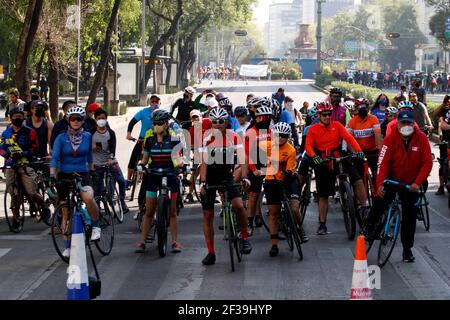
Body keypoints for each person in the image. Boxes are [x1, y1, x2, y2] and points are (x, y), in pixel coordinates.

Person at [365, 110, 433, 263]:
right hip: (392, 179)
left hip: (411, 184)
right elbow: (382, 163)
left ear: (413, 124)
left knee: (410, 216)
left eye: (409, 122)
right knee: (380, 200)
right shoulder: (390, 138)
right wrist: (380, 183)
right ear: (398, 124)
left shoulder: (421, 138)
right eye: (403, 123)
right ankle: (369, 226)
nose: (406, 126)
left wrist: (417, 182)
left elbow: (427, 162)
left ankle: (407, 249)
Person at [199, 107, 252, 265]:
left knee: (239, 205)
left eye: (220, 121)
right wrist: (202, 182)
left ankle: (244, 237)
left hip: (226, 176)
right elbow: (203, 162)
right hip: (210, 177)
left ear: (226, 122)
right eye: (214, 122)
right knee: (208, 216)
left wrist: (244, 177)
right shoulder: (206, 137)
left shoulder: (233, 137)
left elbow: (242, 159)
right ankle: (210, 252)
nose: (217, 124)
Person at [305, 102, 364, 235]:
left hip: (338, 155)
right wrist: (314, 156)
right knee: (323, 194)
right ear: (319, 115)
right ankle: (322, 224)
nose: (327, 117)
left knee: (357, 178)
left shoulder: (337, 125)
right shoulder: (313, 129)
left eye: (329, 114)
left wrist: (359, 151)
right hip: (323, 159)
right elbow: (308, 146)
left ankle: (364, 208)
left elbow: (349, 138)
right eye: (324, 114)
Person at [50, 106, 100, 258]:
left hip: (82, 173)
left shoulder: (87, 136)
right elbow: (54, 158)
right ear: (68, 120)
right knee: (66, 212)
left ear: (83, 120)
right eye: (73, 119)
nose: (76, 121)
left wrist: (92, 171)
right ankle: (67, 246)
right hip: (65, 175)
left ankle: (96, 225)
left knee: (88, 197)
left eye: (79, 119)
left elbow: (90, 157)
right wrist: (52, 175)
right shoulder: (61, 138)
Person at [135, 110, 184, 253]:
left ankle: (175, 242)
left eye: (160, 123)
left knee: (173, 212)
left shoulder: (175, 140)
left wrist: (183, 165)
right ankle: (142, 241)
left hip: (170, 175)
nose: (157, 126)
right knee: (149, 211)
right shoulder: (149, 141)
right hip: (153, 175)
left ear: (166, 124)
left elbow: (177, 159)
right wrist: (141, 165)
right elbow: (145, 159)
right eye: (155, 123)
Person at [261, 122, 308, 257]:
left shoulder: (291, 150)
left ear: (288, 136)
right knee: (273, 213)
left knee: (294, 208)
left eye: (284, 135)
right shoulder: (266, 147)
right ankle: (274, 244)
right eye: (278, 135)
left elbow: (290, 169)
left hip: (288, 181)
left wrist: (285, 173)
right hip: (271, 181)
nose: (281, 138)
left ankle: (300, 229)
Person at [0, 109, 50, 231]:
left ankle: (43, 206)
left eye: (20, 116)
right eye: (15, 116)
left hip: (26, 164)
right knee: (13, 194)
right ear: (10, 118)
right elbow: (1, 149)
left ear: (23, 118)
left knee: (31, 192)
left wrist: (24, 153)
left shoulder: (30, 132)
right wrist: (7, 155)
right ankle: (15, 219)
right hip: (11, 166)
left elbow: (35, 148)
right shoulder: (6, 133)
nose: (18, 118)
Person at [90, 108, 129, 214]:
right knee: (97, 189)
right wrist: (91, 148)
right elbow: (85, 147)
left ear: (106, 119)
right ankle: (97, 210)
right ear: (95, 119)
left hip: (110, 161)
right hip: (96, 164)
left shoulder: (111, 133)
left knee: (121, 180)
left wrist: (111, 158)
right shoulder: (91, 133)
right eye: (99, 118)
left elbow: (113, 149)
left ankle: (121, 201)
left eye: (103, 118)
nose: (101, 120)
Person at [245, 99, 273, 230]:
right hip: (255, 164)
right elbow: (247, 154)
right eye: (263, 118)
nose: (266, 120)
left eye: (268, 118)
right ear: (256, 119)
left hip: (268, 165)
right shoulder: (251, 132)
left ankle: (269, 218)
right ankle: (249, 222)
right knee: (254, 195)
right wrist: (254, 169)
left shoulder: (270, 131)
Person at [347, 98, 382, 197]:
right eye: (360, 107)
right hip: (359, 152)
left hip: (372, 151)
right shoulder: (352, 122)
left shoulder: (373, 119)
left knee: (377, 174)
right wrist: (353, 152)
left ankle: (378, 194)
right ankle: (361, 200)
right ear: (356, 109)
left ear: (368, 108)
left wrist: (380, 150)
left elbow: (378, 136)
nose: (362, 109)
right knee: (360, 178)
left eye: (364, 107)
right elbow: (349, 140)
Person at [126, 94, 160, 188]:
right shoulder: (143, 112)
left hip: (156, 140)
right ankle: (128, 180)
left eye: (156, 101)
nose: (154, 103)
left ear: (159, 102)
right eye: (152, 101)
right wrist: (129, 134)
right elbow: (132, 122)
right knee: (133, 158)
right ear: (149, 102)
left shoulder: (162, 112)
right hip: (142, 139)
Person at [184, 109, 212, 204]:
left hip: (211, 150)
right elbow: (191, 146)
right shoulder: (192, 130)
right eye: (193, 118)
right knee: (195, 171)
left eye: (197, 117)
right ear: (191, 120)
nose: (196, 119)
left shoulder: (208, 121)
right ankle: (190, 194)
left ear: (201, 116)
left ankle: (211, 192)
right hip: (199, 151)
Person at [433, 95, 450, 195]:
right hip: (446, 141)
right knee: (443, 162)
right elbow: (442, 125)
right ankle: (441, 186)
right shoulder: (446, 111)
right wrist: (440, 134)